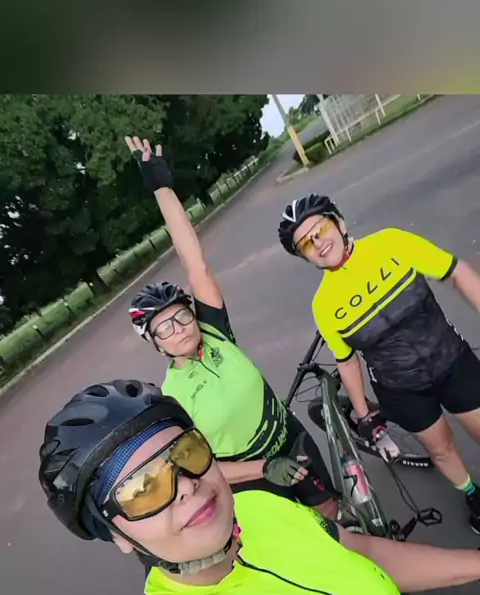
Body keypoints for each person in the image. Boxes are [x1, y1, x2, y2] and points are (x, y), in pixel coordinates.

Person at [39, 378, 480, 595]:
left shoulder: (257, 508)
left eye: (186, 453)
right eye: (142, 489)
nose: (187, 485)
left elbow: (360, 551)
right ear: (118, 535)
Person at [125, 136, 338, 520]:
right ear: (156, 344)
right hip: (255, 477)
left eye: (182, 316)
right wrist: (263, 469)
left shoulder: (215, 333)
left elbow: (195, 263)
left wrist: (161, 188)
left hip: (291, 438)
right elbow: (201, 465)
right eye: (164, 329)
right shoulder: (172, 398)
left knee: (332, 514)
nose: (179, 329)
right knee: (305, 536)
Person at [278, 193, 480, 533]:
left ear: (339, 223)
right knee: (440, 448)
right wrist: (363, 415)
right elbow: (347, 360)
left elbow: (456, 271)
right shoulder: (324, 304)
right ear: (305, 256)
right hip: (400, 389)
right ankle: (472, 493)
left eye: (320, 229)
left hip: (451, 360)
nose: (319, 243)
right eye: (307, 244)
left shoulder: (390, 242)